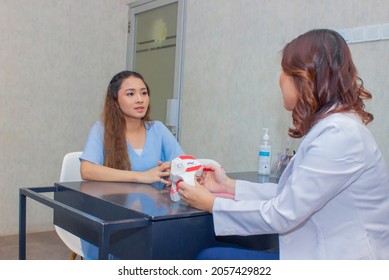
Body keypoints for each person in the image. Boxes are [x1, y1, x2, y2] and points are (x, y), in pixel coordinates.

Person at [178, 29, 389, 260]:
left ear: (304, 77)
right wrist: (227, 187)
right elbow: (290, 195)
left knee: (209, 259)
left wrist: (212, 204)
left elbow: (282, 213)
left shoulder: (340, 134)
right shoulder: (334, 127)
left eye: (284, 70)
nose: (279, 78)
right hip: (322, 251)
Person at [79, 70, 184, 259]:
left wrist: (175, 170)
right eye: (130, 94)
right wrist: (141, 176)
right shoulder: (101, 129)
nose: (140, 99)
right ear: (115, 99)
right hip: (111, 219)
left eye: (144, 93)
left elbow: (182, 163)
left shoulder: (158, 129)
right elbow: (87, 170)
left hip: (153, 216)